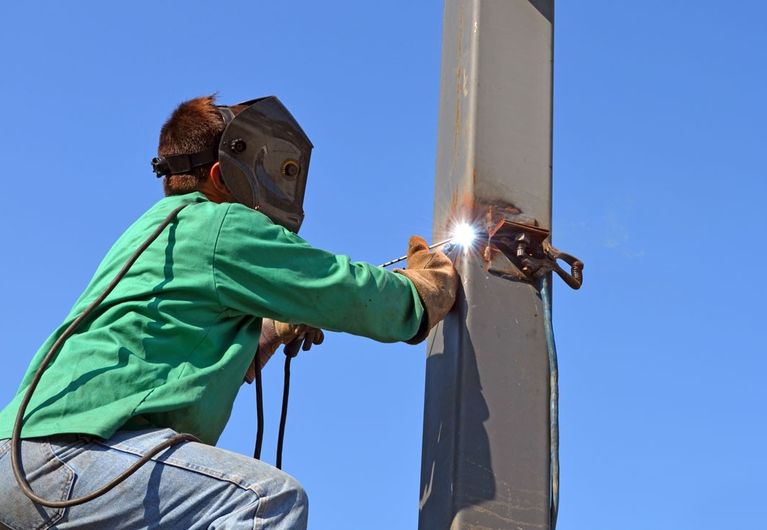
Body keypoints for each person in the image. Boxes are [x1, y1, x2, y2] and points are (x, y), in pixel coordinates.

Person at [0, 95, 458, 529]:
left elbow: (179, 351)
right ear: (223, 175)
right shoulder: (222, 224)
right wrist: (419, 293)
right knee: (265, 500)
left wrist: (270, 331)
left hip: (27, 462)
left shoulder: (159, 231)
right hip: (66, 461)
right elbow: (345, 290)